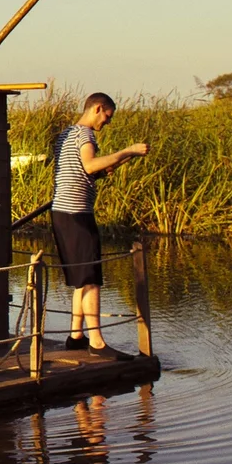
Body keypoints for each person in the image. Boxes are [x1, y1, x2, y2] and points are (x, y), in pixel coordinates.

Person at [50, 92, 149, 360]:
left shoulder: (66, 134)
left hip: (62, 211)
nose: (108, 122)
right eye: (108, 116)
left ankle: (76, 336)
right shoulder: (85, 135)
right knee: (91, 279)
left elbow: (82, 170)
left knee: (82, 278)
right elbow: (90, 164)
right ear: (98, 108)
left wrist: (112, 165)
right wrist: (128, 150)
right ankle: (97, 341)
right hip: (76, 213)